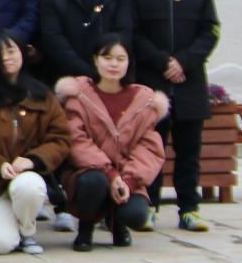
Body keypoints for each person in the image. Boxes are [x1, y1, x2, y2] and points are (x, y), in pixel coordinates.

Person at [129, 0, 221, 232]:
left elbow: (210, 31)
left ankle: (189, 209)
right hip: (152, 84)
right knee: (150, 148)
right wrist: (162, 62)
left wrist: (183, 62)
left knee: (189, 151)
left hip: (189, 82)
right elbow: (134, 34)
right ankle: (149, 206)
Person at [0, 33, 69, 255]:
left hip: (26, 177)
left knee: (30, 185)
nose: (6, 58)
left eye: (11, 51)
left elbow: (61, 138)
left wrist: (33, 160)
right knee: (0, 245)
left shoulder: (42, 94)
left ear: (22, 53)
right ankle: (10, 230)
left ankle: (27, 231)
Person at [60, 37, 168, 251]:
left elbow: (149, 149)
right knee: (94, 182)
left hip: (127, 174)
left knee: (136, 215)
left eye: (120, 59)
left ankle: (118, 222)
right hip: (89, 173)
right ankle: (85, 229)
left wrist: (128, 181)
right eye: (107, 57)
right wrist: (110, 173)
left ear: (129, 62)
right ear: (95, 60)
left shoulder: (144, 100)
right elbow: (77, 141)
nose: (113, 64)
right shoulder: (79, 95)